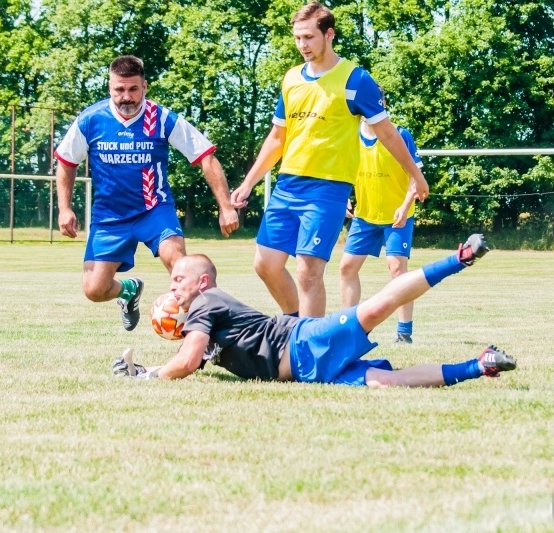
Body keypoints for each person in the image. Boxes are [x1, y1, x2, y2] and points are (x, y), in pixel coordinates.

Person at [230, 1, 429, 318]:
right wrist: (248, 182)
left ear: (329, 34)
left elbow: (389, 135)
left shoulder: (355, 80)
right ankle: (297, 325)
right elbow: (277, 138)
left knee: (309, 271)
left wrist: (416, 177)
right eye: (297, 38)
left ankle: (310, 352)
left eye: (308, 37)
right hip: (287, 185)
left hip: (328, 189)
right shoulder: (291, 79)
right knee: (265, 264)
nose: (301, 45)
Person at [113, 234, 518, 388]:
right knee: (385, 383)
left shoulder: (206, 301)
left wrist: (147, 376)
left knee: (375, 307)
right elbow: (193, 357)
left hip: (302, 343)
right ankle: (480, 365)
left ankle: (459, 258)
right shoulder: (202, 316)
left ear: (202, 282)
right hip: (306, 371)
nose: (172, 286)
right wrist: (146, 365)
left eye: (179, 280)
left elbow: (185, 362)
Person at [55, 55, 239, 332]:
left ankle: (207, 338)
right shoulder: (91, 120)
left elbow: (205, 156)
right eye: (119, 89)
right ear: (109, 87)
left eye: (133, 89)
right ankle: (129, 290)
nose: (126, 97)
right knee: (94, 290)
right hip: (110, 217)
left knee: (182, 266)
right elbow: (67, 162)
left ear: (145, 86)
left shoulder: (163, 118)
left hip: (155, 209)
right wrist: (65, 208)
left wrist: (225, 206)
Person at [340, 88, 423, 344]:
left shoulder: (399, 134)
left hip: (398, 214)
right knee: (346, 268)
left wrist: (405, 203)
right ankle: (349, 329)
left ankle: (404, 333)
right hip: (365, 216)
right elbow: (341, 171)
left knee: (397, 269)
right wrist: (343, 197)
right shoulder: (350, 137)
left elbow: (415, 177)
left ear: (381, 103)